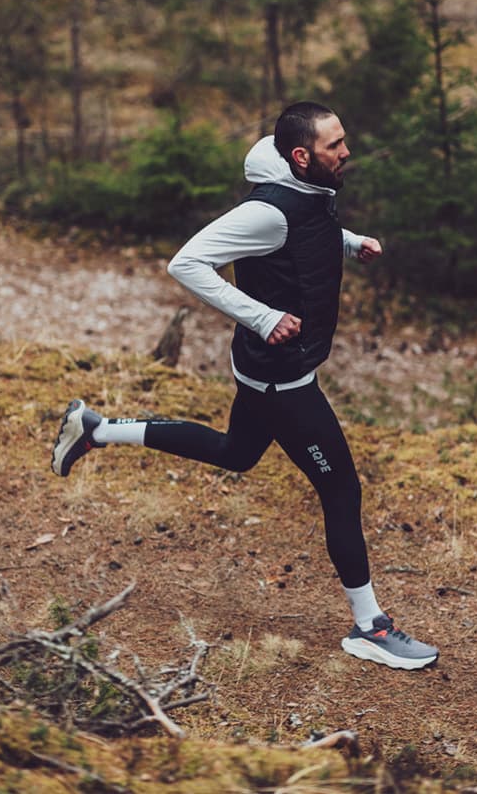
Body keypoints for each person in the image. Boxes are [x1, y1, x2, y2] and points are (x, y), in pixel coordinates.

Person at [50, 102, 438, 670]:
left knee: (236, 452)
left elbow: (307, 234)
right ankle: (370, 628)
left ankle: (96, 430)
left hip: (269, 370)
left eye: (344, 139)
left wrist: (350, 243)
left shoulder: (305, 190)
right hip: (282, 380)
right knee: (342, 489)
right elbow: (187, 264)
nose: (346, 152)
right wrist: (259, 317)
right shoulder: (267, 211)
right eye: (335, 146)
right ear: (302, 156)